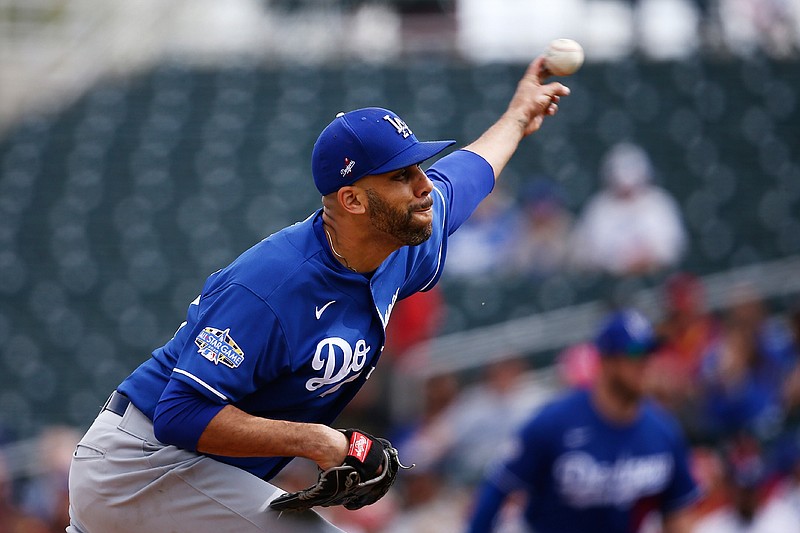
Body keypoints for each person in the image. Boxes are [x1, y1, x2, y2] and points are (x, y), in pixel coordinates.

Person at [66, 55, 571, 533]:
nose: (423, 186)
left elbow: (466, 175)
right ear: (351, 199)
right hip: (139, 465)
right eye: (402, 175)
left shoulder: (397, 241)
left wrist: (517, 115)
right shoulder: (273, 285)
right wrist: (319, 440)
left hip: (194, 472)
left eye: (419, 167)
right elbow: (181, 413)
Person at [466, 308, 700, 533]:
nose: (645, 364)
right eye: (635, 354)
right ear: (607, 361)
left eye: (650, 353)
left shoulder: (663, 431)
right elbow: (498, 489)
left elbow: (677, 511)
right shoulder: (554, 422)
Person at [568, 142, 687, 276]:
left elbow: (675, 245)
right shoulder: (598, 208)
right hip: (612, 285)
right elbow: (586, 254)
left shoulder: (659, 202)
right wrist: (623, 261)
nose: (627, 189)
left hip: (658, 278)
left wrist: (649, 257)